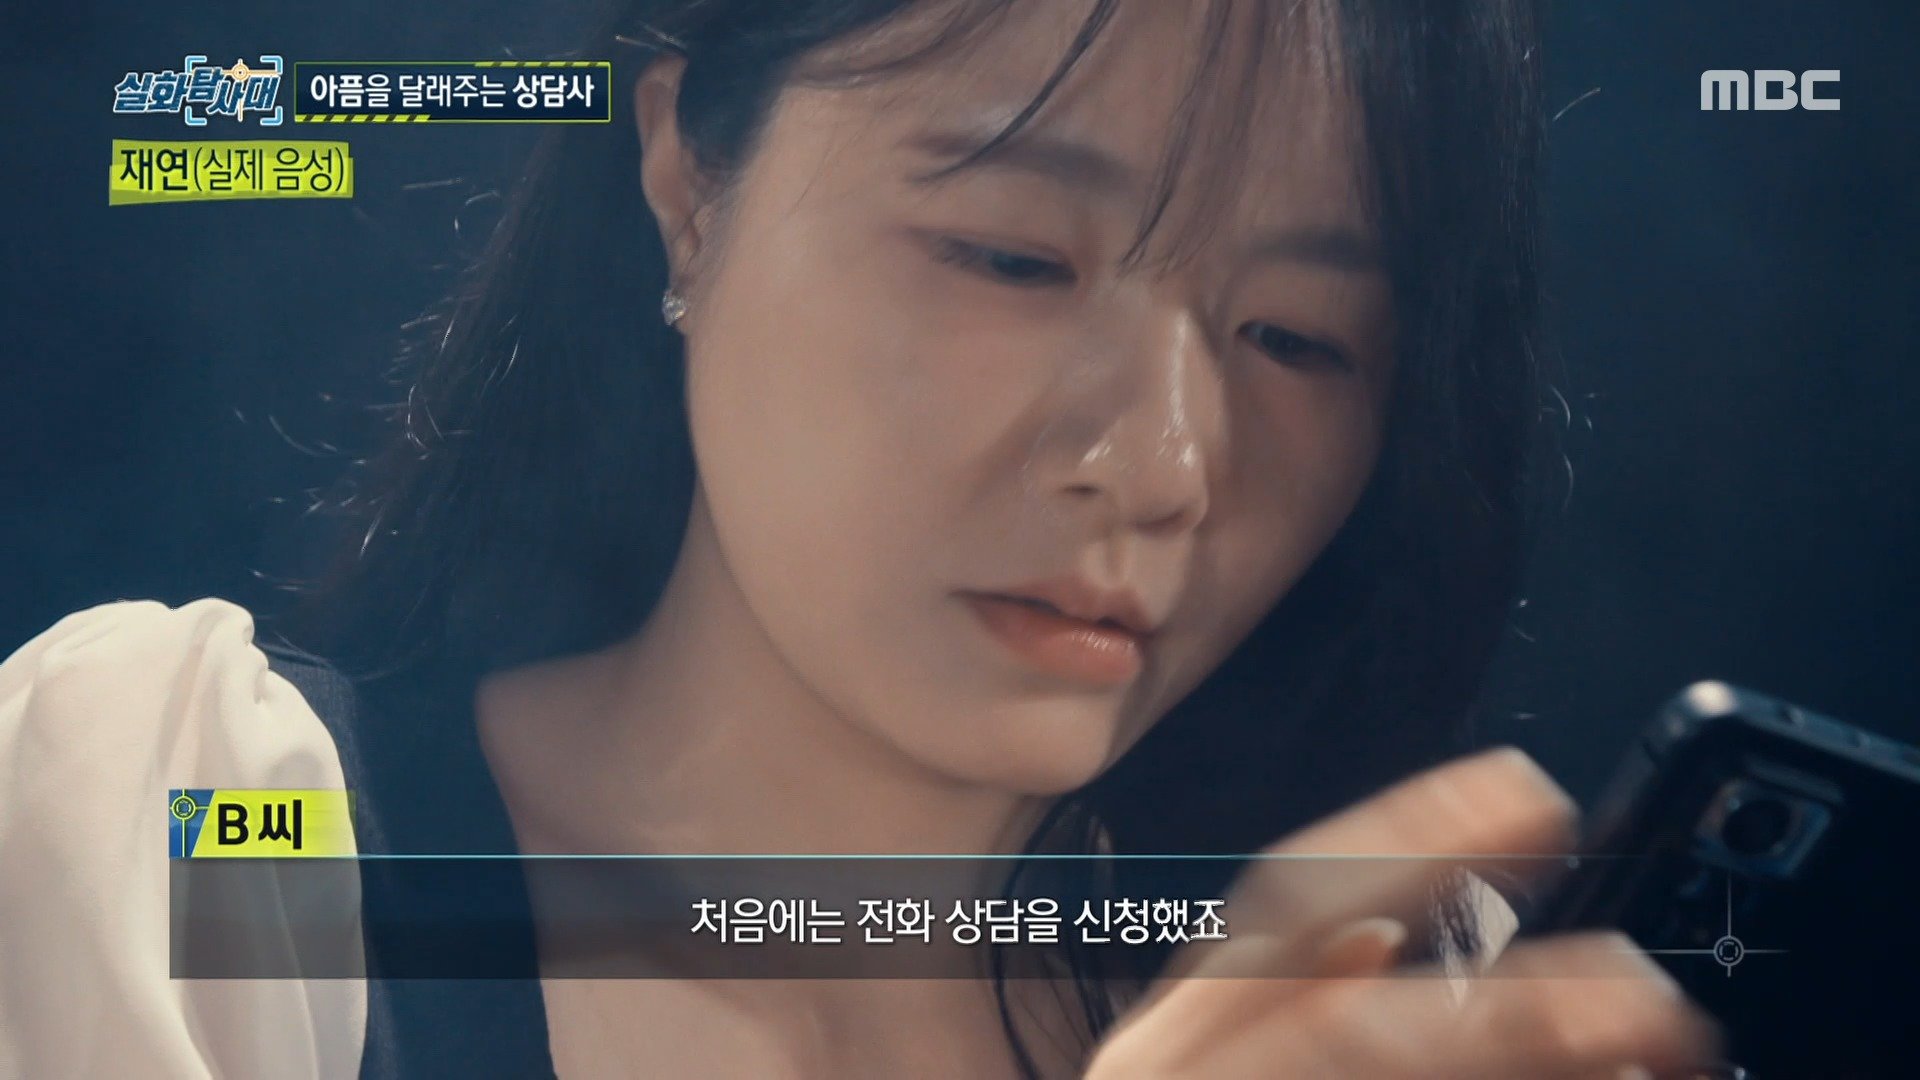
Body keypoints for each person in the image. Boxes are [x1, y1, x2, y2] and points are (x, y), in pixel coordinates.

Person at [0, 0, 1725, 1076]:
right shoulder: (220, 831)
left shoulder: (1380, 996)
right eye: (1012, 258)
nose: (1162, 464)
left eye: (1300, 340)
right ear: (690, 181)